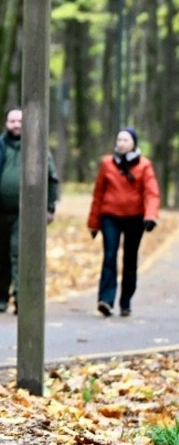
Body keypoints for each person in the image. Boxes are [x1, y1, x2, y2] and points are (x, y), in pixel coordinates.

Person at [0, 108, 58, 314]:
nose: (16, 125)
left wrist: (50, 207)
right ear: (6, 123)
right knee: (1, 256)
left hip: (26, 214)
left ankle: (20, 297)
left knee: (19, 253)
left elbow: (51, 178)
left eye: (20, 121)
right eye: (12, 121)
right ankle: (2, 295)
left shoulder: (37, 147)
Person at [87, 127, 160, 317]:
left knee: (130, 259)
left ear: (134, 144)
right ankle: (106, 300)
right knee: (109, 256)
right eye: (119, 140)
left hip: (135, 218)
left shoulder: (144, 165)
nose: (121, 143)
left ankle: (126, 301)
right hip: (110, 216)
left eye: (125, 140)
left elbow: (152, 193)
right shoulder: (107, 163)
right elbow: (98, 194)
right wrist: (93, 223)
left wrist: (150, 216)